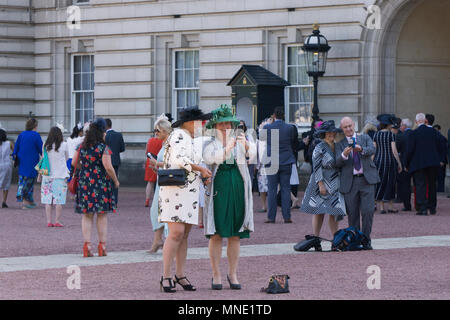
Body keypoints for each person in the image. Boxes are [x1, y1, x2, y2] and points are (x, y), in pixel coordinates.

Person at [158, 106, 212, 293]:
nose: (203, 125)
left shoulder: (187, 137)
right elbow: (180, 159)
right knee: (176, 233)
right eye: (200, 122)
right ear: (190, 122)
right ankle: (166, 276)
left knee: (183, 234)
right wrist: (201, 169)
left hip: (186, 191)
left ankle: (179, 274)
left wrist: (201, 173)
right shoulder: (180, 135)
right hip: (175, 191)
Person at [203, 105, 255, 290]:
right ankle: (216, 274)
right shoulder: (209, 143)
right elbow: (211, 159)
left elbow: (256, 156)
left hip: (238, 187)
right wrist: (227, 148)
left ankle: (233, 273)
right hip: (220, 188)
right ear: (215, 126)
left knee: (235, 234)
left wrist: (247, 146)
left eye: (228, 124)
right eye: (221, 124)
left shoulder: (240, 138)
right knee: (216, 233)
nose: (225, 127)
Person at [72, 118, 120, 257]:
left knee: (87, 215)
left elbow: (75, 162)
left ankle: (87, 246)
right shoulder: (103, 147)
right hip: (100, 183)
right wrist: (115, 181)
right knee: (101, 215)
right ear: (101, 132)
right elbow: (108, 167)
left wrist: (86, 169)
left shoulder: (82, 146)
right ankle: (102, 246)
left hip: (85, 182)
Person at [335, 117, 380, 250]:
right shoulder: (340, 144)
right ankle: (355, 239)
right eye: (345, 127)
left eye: (350, 126)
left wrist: (361, 149)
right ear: (342, 129)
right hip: (350, 182)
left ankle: (366, 239)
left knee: (368, 211)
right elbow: (337, 163)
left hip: (367, 180)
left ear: (354, 125)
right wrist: (343, 155)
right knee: (353, 214)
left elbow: (372, 149)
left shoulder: (364, 138)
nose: (348, 129)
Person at [300, 120, 346, 240]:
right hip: (320, 181)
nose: (331, 134)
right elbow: (316, 167)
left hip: (335, 182)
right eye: (328, 132)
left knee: (334, 211)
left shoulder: (337, 146)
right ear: (324, 133)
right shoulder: (319, 147)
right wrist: (320, 185)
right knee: (319, 211)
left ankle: (335, 239)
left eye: (333, 132)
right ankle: (316, 238)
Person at [261, 106, 297, 223]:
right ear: (284, 116)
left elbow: (260, 138)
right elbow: (292, 140)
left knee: (271, 189)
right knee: (286, 189)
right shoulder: (290, 128)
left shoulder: (268, 127)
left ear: (274, 116)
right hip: (286, 160)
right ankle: (287, 216)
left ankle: (271, 217)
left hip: (272, 161)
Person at [405, 113, 444, 215]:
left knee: (420, 185)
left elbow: (409, 151)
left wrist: (406, 164)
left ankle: (422, 208)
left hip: (418, 163)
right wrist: (440, 159)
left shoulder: (414, 133)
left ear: (416, 121)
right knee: (432, 185)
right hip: (432, 162)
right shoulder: (434, 132)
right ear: (425, 121)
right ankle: (432, 207)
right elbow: (442, 144)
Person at [147, 114, 171, 253]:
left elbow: (173, 163)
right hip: (162, 180)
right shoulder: (164, 144)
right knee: (156, 211)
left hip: (168, 183)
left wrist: (157, 163)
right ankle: (157, 240)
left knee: (161, 211)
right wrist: (157, 167)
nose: (155, 133)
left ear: (165, 131)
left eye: (158, 131)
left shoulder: (171, 144)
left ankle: (162, 242)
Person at [39, 126, 69, 227]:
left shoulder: (45, 145)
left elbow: (43, 160)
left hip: (47, 175)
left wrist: (40, 175)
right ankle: (57, 221)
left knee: (47, 200)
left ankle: (48, 221)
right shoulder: (64, 145)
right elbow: (66, 159)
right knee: (59, 200)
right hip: (60, 175)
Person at [373, 114, 402, 214]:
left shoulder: (376, 135)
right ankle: (390, 206)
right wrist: (399, 163)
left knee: (380, 182)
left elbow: (374, 150)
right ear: (388, 125)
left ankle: (381, 207)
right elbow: (394, 150)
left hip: (378, 161)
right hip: (389, 161)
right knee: (390, 182)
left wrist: (372, 162)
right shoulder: (391, 135)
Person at [12, 118, 43, 209]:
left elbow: (16, 148)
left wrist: (15, 157)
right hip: (32, 162)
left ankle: (28, 200)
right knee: (30, 182)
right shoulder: (36, 135)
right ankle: (26, 202)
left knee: (22, 180)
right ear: (34, 126)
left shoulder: (21, 135)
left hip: (22, 162)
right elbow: (41, 149)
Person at [105, 118, 125, 204]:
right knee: (115, 181)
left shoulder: (104, 136)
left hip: (106, 161)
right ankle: (114, 201)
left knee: (106, 182)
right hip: (116, 161)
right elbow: (122, 148)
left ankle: (107, 200)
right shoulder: (118, 135)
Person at [256, 118, 273, 212]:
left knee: (271, 187)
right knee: (262, 187)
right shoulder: (259, 140)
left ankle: (270, 206)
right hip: (262, 166)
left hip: (270, 165)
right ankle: (263, 206)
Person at [396, 118, 413, 211]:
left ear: (404, 126)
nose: (400, 126)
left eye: (401, 124)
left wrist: (404, 164)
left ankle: (407, 205)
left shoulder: (401, 136)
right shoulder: (415, 134)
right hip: (415, 163)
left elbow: (399, 150)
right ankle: (420, 204)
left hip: (404, 163)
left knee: (405, 185)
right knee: (419, 184)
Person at [144, 133, 163, 207]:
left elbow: (146, 152)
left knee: (150, 182)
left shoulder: (149, 140)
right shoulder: (162, 141)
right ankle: (157, 200)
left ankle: (147, 199)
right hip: (158, 161)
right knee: (159, 181)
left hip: (150, 160)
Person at [0, 129, 14, 208]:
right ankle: (4, 201)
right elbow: (15, 152)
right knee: (6, 183)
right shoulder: (9, 143)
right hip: (6, 164)